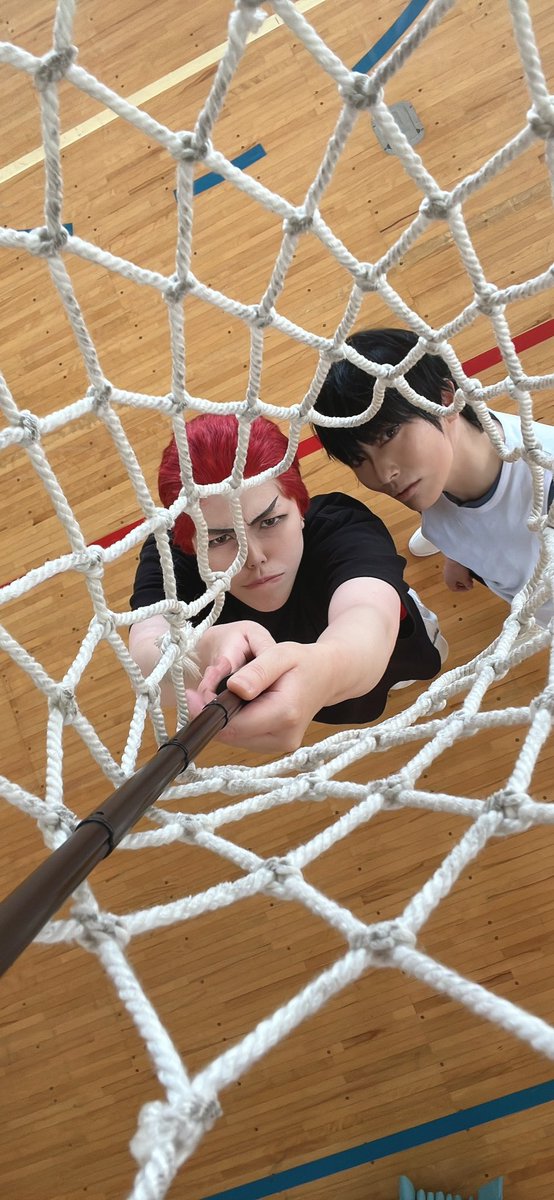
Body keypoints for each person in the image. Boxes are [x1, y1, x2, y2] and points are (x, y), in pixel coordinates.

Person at [129, 413, 446, 754]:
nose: (254, 557)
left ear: (301, 507)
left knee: (414, 665)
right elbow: (145, 653)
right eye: (219, 540)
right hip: (321, 700)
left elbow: (368, 616)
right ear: (190, 546)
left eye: (270, 521)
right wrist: (201, 649)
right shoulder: (169, 560)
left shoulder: (340, 523)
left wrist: (326, 667)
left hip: (398, 651)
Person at [313, 327, 554, 626]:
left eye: (389, 434)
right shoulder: (435, 472)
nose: (384, 475)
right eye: (358, 459)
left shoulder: (543, 477)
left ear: (444, 400)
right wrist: (460, 556)